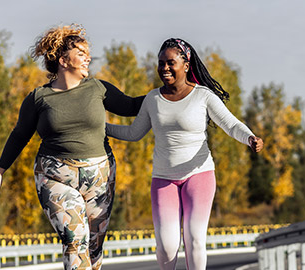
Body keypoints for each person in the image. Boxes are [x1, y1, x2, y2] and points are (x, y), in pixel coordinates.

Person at [0, 24, 144, 270]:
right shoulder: (39, 98)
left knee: (93, 247)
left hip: (100, 178)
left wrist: (172, 91)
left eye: (87, 54)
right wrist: (0, 170)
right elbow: (19, 135)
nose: (88, 58)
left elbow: (132, 106)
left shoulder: (98, 89)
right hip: (55, 176)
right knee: (74, 239)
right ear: (63, 60)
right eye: (81, 53)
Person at [105, 38, 264, 270]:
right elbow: (133, 133)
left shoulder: (203, 96)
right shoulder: (152, 99)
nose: (165, 68)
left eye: (171, 63)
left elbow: (230, 124)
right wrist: (102, 128)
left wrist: (250, 137)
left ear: (186, 65)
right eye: (161, 63)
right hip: (163, 179)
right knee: (167, 247)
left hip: (199, 175)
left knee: (195, 240)